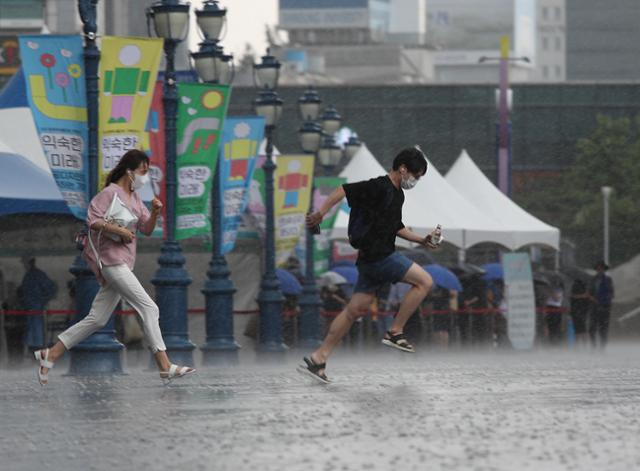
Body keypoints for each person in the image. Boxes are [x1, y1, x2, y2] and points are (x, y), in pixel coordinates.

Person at [32, 149, 195, 385]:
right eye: (143, 171)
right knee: (150, 308)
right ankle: (164, 365)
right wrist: (118, 230)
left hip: (123, 263)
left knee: (97, 319)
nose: (145, 177)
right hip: (112, 262)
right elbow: (92, 220)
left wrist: (156, 212)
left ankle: (52, 354)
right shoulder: (110, 193)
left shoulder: (136, 199)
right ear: (129, 172)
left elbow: (147, 229)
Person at [299, 146, 437, 383]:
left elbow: (396, 227)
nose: (415, 181)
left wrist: (422, 240)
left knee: (354, 310)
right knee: (425, 281)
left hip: (368, 260)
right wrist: (321, 212)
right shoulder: (378, 186)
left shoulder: (397, 194)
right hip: (381, 256)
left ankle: (318, 358)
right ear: (403, 169)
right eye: (416, 175)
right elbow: (343, 189)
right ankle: (395, 331)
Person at [19, 256, 57, 352]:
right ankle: (33, 355)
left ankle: (39, 355)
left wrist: (43, 301)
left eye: (24, 263)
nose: (24, 265)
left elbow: (52, 288)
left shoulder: (39, 275)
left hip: (37, 310)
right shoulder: (28, 275)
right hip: (29, 310)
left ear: (29, 263)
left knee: (38, 336)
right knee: (31, 335)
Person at [588, 260, 614, 349]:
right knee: (592, 328)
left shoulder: (608, 280)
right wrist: (591, 298)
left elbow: (611, 293)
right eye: (598, 268)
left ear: (604, 269)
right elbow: (589, 292)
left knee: (603, 328)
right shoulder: (592, 279)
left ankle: (602, 347)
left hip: (605, 307)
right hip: (594, 307)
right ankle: (593, 346)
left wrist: (603, 301)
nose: (600, 270)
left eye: (601, 268)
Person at [569, 278, 590, 347]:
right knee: (581, 329)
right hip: (580, 312)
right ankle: (582, 345)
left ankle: (579, 345)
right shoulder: (584, 289)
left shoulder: (575, 288)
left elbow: (572, 298)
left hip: (577, 312)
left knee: (579, 330)